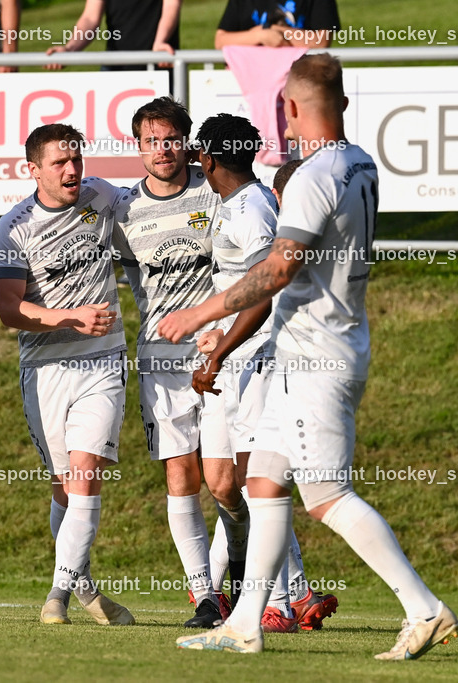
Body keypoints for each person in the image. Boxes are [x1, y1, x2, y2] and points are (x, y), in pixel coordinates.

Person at [163, 53, 458, 658]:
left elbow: (278, 267)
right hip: (316, 346)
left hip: (315, 357)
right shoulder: (360, 161)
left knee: (326, 496)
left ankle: (424, 607)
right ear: (342, 104)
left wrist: (201, 315)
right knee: (265, 483)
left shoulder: (315, 174)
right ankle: (245, 624)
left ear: (291, 109)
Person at [191, 113, 337, 633]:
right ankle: (294, 594)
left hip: (256, 359)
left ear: (207, 158)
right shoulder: (235, 204)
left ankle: (284, 598)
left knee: (256, 483)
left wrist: (222, 348)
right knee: (225, 484)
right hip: (234, 359)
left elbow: (264, 290)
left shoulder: (252, 210)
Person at [0, 123, 134, 626]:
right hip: (45, 368)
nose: (73, 170)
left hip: (102, 360)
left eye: (76, 159)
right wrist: (68, 316)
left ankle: (57, 594)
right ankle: (87, 587)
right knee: (63, 488)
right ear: (33, 171)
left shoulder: (102, 196)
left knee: (85, 473)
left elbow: (157, 203)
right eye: (59, 163)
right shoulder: (14, 227)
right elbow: (8, 310)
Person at [111, 97, 241, 628]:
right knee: (181, 476)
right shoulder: (121, 210)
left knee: (226, 481)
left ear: (188, 142)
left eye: (171, 139)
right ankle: (205, 597)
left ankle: (245, 565)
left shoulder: (214, 192)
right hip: (160, 363)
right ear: (137, 147)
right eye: (152, 141)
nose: (163, 150)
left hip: (219, 353)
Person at [45, 0, 180, 71]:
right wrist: (69, 48)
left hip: (159, 65)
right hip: (114, 65)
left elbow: (171, 6)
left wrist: (160, 42)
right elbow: (90, 18)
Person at [215, 0, 339, 48]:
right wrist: (260, 36)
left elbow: (321, 41)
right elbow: (221, 40)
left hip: (299, 80)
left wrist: (273, 30)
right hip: (249, 80)